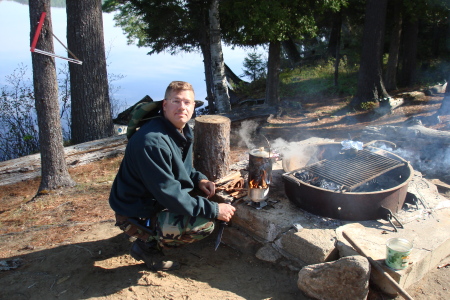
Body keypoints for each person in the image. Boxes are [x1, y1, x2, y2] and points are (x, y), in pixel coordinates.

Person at [109, 81, 235, 271]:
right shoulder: (152, 142)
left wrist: (199, 179)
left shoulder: (180, 131)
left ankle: (153, 230)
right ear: (165, 105)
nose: (182, 107)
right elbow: (170, 194)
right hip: (134, 210)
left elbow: (181, 169)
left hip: (154, 199)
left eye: (187, 102)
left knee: (199, 200)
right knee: (203, 224)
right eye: (176, 101)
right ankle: (146, 244)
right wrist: (216, 210)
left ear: (193, 107)